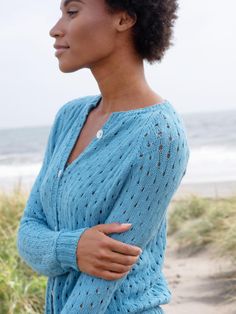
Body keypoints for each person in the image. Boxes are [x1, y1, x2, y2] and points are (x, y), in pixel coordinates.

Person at [17, 0, 190, 313]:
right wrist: (73, 247)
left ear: (123, 18)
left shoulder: (159, 135)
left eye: (72, 12)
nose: (55, 29)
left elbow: (102, 283)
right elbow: (28, 233)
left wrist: (57, 247)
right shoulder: (69, 117)